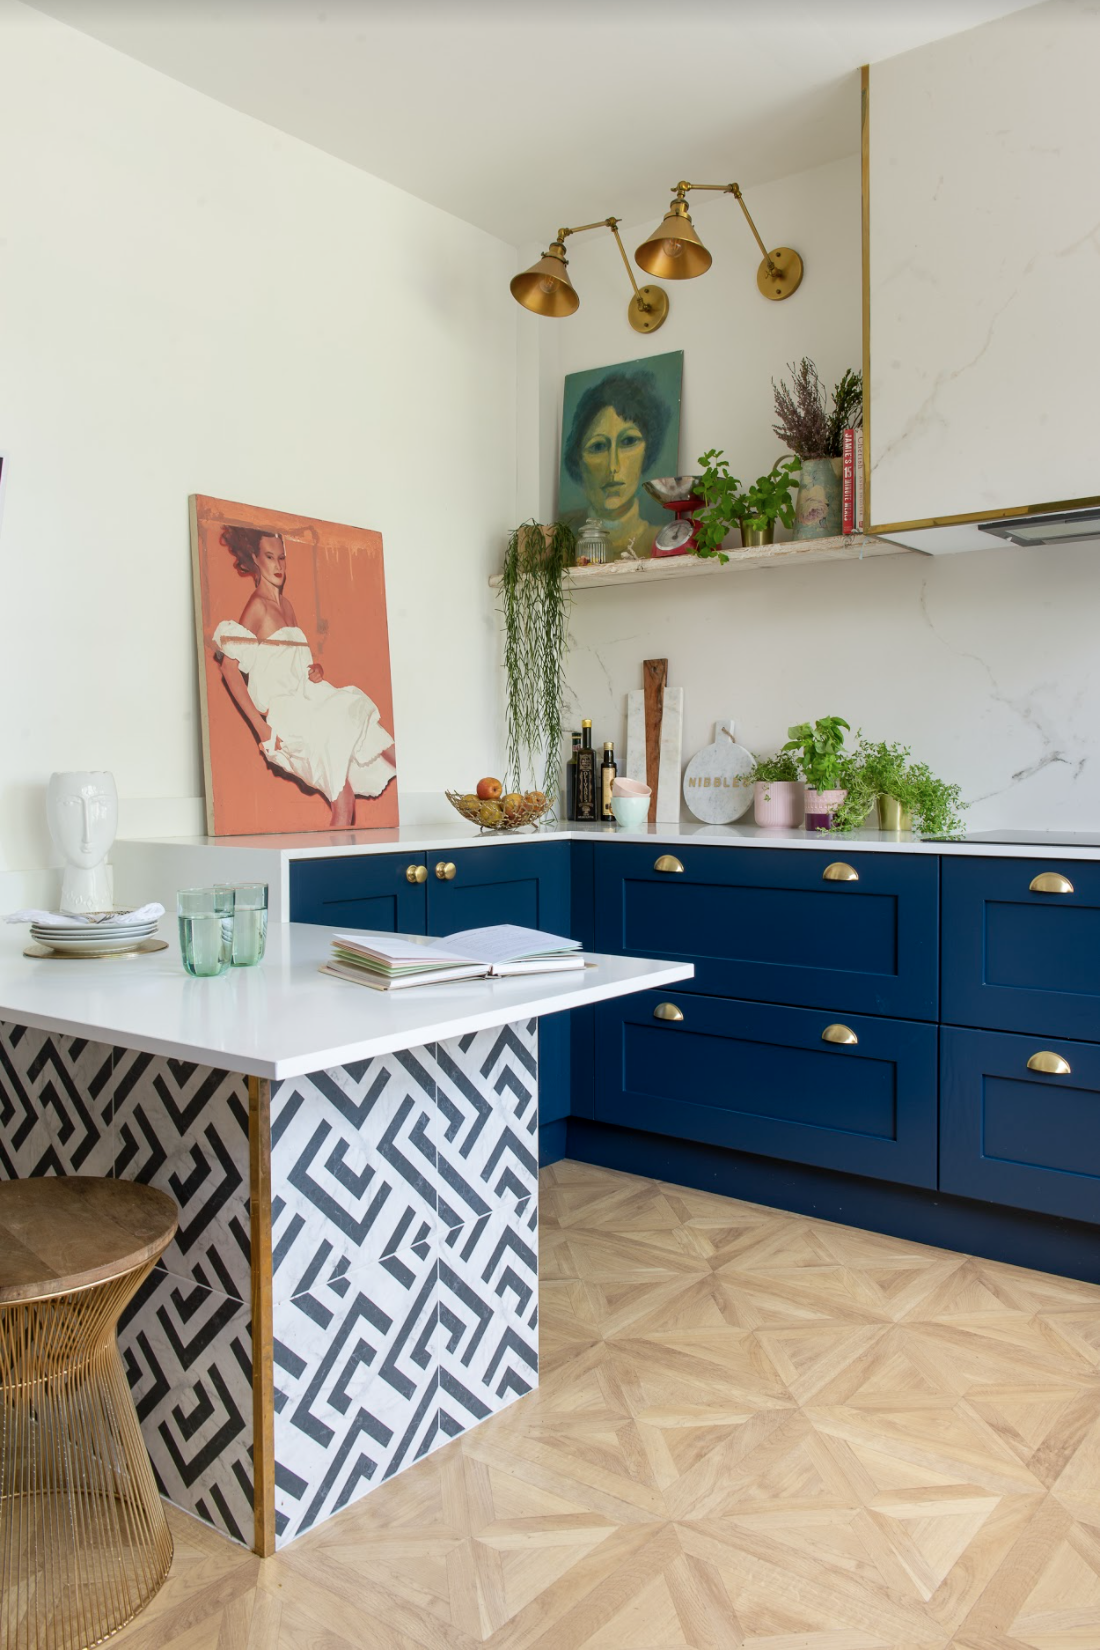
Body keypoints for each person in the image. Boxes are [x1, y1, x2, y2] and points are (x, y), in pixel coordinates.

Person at [211, 526, 396, 828]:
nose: (278, 566)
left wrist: (315, 670)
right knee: (343, 791)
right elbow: (229, 669)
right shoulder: (257, 607)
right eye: (270, 557)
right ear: (255, 558)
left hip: (311, 699)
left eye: (282, 558)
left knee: (348, 782)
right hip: (289, 714)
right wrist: (261, 729)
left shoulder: (287, 607)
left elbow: (293, 662)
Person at [561, 369, 671, 559]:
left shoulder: (662, 540)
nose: (614, 466)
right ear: (578, 460)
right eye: (597, 447)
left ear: (647, 452)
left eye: (628, 442)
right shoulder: (558, 546)